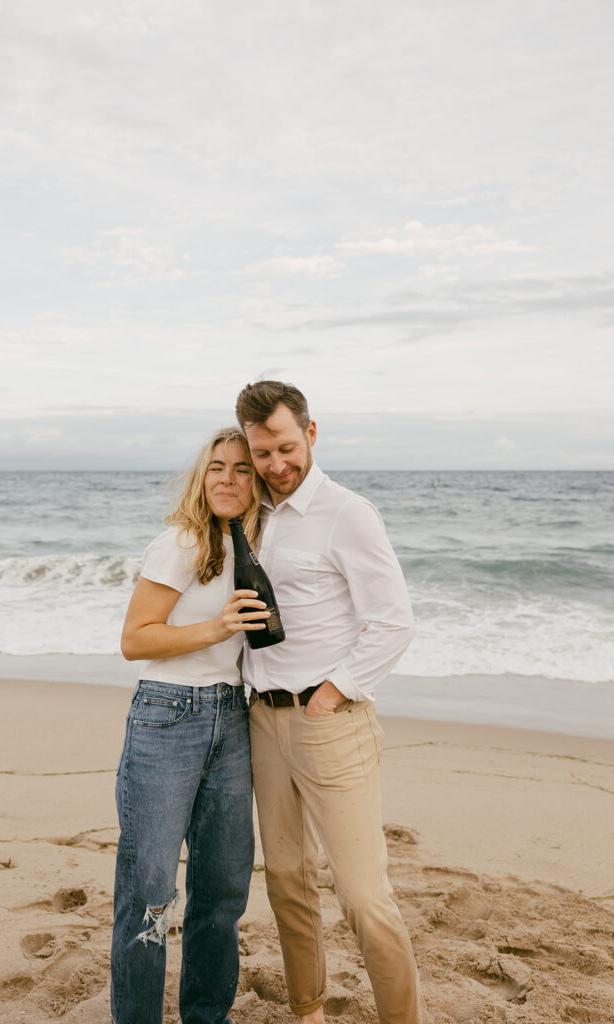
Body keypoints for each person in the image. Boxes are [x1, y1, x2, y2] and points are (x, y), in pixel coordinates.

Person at [235, 381, 427, 1024]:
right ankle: (308, 1011)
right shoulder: (249, 515)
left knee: (362, 894)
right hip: (260, 721)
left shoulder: (349, 513)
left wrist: (333, 691)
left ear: (311, 434)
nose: (277, 465)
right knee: (287, 881)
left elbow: (394, 621)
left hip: (330, 726)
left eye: (286, 447)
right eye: (262, 453)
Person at [110, 426, 269, 1024]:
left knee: (223, 891)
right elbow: (134, 639)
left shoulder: (247, 543)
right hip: (167, 715)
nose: (228, 479)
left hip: (232, 719)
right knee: (149, 894)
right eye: (217, 467)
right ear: (201, 477)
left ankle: (207, 1015)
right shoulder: (179, 542)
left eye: (243, 469)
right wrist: (216, 628)